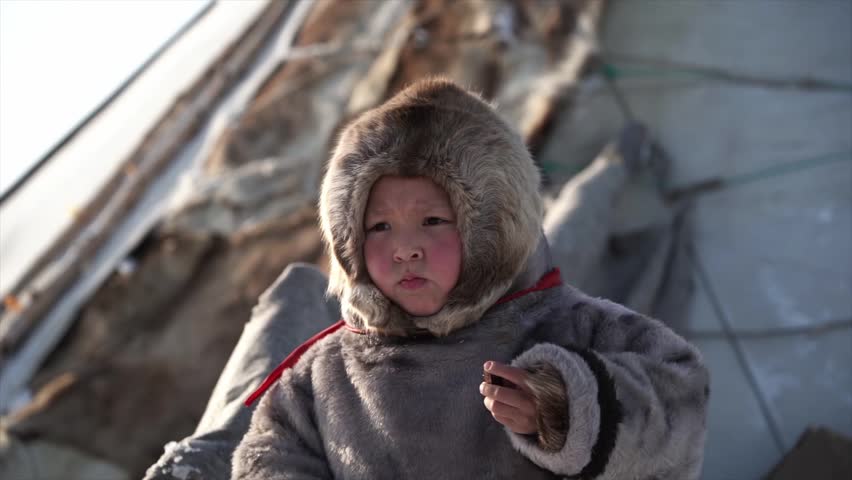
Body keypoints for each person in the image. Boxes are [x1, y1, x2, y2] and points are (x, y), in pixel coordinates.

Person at [224, 78, 708, 480]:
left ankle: (615, 165)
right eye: (379, 227)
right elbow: (268, 454)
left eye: (432, 221)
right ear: (348, 239)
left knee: (577, 223)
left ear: (487, 226)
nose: (404, 248)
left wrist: (567, 407)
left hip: (540, 280)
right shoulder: (322, 377)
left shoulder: (562, 319)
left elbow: (681, 399)